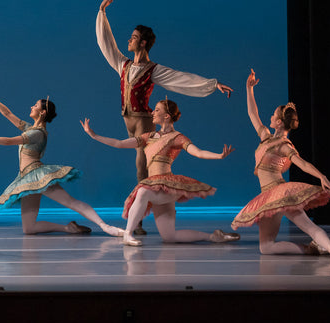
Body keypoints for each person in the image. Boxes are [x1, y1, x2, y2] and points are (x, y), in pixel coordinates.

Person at [96, 0, 233, 233]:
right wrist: (102, 12)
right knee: (142, 167)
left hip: (142, 122)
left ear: (143, 42)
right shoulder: (123, 65)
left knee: (141, 167)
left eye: (133, 37)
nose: (129, 40)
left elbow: (181, 79)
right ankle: (153, 208)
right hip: (127, 121)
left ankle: (137, 220)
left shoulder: (153, 70)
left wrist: (213, 84)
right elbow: (107, 44)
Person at [81, 99, 239, 246]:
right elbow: (119, 143)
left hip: (167, 185)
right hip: (154, 185)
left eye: (156, 110)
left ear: (166, 116)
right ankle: (213, 236)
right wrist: (94, 135)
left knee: (142, 192)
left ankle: (128, 234)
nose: (152, 113)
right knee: (169, 237)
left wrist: (219, 156)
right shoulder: (148, 137)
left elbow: (197, 152)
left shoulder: (177, 137)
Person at [0, 90, 122, 236]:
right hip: (26, 178)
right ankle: (68, 228)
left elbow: (8, 141)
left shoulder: (37, 133)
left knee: (70, 202)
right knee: (29, 228)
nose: (31, 107)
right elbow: (7, 113)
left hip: (38, 175)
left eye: (35, 106)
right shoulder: (29, 128)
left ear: (42, 112)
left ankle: (105, 226)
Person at [230, 69, 330, 258]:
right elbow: (252, 113)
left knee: (307, 225)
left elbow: (302, 164)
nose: (269, 117)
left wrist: (321, 176)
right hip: (267, 197)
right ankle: (312, 248)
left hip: (280, 192)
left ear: (278, 122)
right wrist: (249, 89)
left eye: (272, 115)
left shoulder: (284, 145)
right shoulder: (265, 137)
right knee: (266, 248)